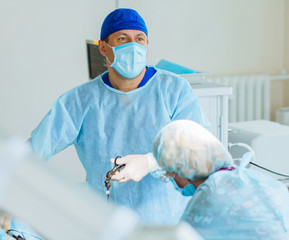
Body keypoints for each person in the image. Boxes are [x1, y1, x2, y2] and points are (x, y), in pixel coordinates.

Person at [30, 8, 210, 225]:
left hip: (165, 223)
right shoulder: (80, 101)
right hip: (106, 222)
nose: (133, 46)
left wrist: (150, 162)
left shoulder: (174, 90)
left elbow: (195, 148)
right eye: (123, 39)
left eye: (139, 39)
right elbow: (35, 149)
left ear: (146, 44)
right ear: (104, 49)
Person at [152, 119, 289, 240]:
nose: (172, 181)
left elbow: (184, 235)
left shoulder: (211, 193)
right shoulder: (244, 177)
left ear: (181, 169)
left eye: (170, 174)